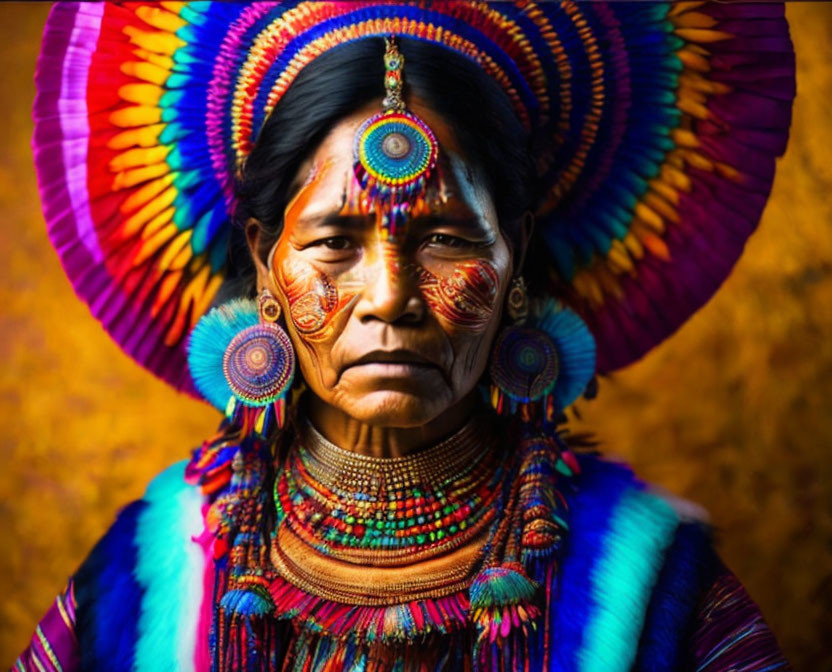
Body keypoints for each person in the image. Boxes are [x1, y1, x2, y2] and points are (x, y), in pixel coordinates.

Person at [16, 2, 796, 670]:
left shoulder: (648, 585)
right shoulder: (149, 578)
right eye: (334, 243)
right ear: (264, 260)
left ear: (515, 253)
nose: (391, 298)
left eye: (448, 239)